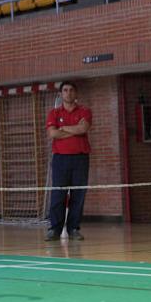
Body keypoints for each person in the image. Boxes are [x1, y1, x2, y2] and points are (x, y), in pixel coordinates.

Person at [45, 81, 92, 242]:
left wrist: (63, 129)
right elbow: (53, 134)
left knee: (78, 195)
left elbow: (83, 129)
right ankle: (54, 229)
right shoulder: (54, 113)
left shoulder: (85, 111)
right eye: (65, 90)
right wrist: (73, 130)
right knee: (58, 194)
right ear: (61, 94)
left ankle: (73, 228)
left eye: (72, 90)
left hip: (80, 158)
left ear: (76, 93)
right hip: (60, 159)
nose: (69, 93)